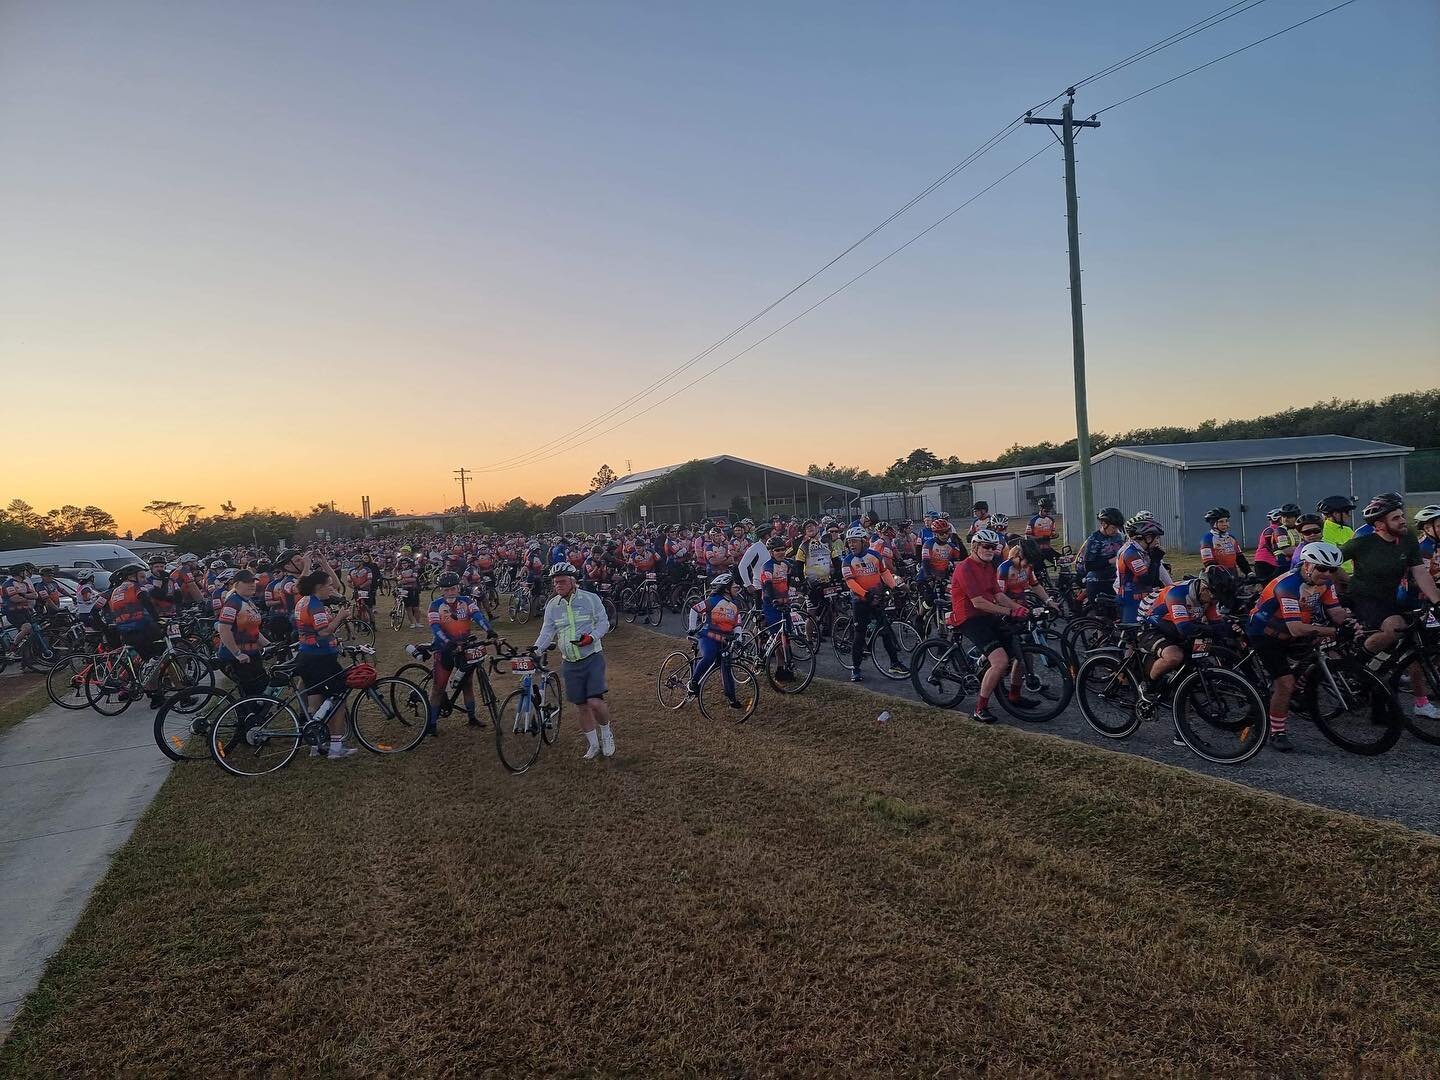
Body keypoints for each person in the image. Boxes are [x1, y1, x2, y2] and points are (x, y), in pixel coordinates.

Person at [1343, 493, 1440, 721]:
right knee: (1396, 627)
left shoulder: (1407, 539)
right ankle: (1356, 663)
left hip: (1390, 599)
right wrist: (1343, 580)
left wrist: (1437, 601)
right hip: (1363, 598)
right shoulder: (1362, 543)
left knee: (1408, 642)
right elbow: (1330, 560)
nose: (1403, 520)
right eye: (1396, 518)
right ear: (1379, 525)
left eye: (1401, 516)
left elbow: (1420, 572)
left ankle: (1376, 677)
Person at [1246, 541, 1350, 752]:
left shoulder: (1325, 583)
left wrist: (1355, 623)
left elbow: (1337, 613)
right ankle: (1277, 732)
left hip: (1292, 628)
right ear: (1307, 565)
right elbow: (1295, 628)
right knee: (1285, 683)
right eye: (1322, 568)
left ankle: (1300, 687)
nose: (1327, 574)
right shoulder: (1288, 585)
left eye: (1332, 569)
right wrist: (1335, 631)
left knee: (1325, 650)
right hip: (1265, 633)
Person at [533, 563, 614, 760]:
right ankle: (593, 745)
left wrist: (592, 637)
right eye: (555, 582)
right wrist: (536, 649)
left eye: (562, 582)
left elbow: (604, 622)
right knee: (581, 706)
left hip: (591, 656)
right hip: (569, 661)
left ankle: (606, 733)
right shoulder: (553, 605)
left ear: (573, 581)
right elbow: (548, 631)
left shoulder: (590, 599)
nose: (558, 585)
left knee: (595, 701)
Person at [948, 528, 1029, 723]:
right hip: (969, 617)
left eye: (994, 547)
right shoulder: (965, 568)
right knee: (1000, 661)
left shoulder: (990, 566)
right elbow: (978, 602)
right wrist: (1010, 611)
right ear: (975, 547)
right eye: (986, 546)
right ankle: (979, 709)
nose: (990, 550)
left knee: (1020, 650)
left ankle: (1014, 696)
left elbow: (999, 595)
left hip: (986, 614)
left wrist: (1020, 608)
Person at [1137, 565, 1235, 710]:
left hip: (1176, 625)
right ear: (1204, 588)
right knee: (1174, 656)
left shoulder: (1209, 597)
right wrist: (1215, 630)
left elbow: (1217, 625)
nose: (1214, 601)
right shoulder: (1177, 593)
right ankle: (1148, 686)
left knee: (1205, 647)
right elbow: (1186, 629)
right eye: (1214, 596)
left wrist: (1232, 628)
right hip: (1151, 625)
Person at [292, 570, 356, 759]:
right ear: (319, 587)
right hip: (320, 658)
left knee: (315, 698)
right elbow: (323, 631)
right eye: (328, 585)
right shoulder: (315, 605)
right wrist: (341, 616)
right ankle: (336, 747)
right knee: (339, 696)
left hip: (306, 655)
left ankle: (317, 743)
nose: (331, 588)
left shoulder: (302, 601)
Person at [425, 571, 493, 736]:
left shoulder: (467, 601)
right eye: (446, 589)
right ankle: (432, 724)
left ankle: (471, 718)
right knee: (438, 688)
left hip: (464, 649)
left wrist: (490, 630)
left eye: (453, 589)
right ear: (441, 590)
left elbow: (478, 616)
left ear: (458, 588)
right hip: (445, 650)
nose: (450, 592)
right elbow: (435, 627)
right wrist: (447, 642)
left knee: (467, 685)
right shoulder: (435, 605)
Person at [840, 526, 907, 683]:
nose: (851, 545)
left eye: (854, 541)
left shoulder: (875, 555)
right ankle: (855, 669)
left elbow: (884, 573)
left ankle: (894, 663)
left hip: (876, 599)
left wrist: (893, 587)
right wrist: (864, 594)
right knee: (859, 635)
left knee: (886, 632)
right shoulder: (847, 561)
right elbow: (850, 582)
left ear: (864, 541)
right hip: (860, 601)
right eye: (849, 542)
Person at [686, 573, 745, 706]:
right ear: (725, 588)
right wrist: (691, 628)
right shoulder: (713, 601)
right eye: (734, 585)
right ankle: (693, 682)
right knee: (709, 656)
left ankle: (732, 698)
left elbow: (737, 624)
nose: (737, 587)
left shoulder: (735, 605)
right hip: (708, 637)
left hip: (725, 641)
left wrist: (739, 639)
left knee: (727, 667)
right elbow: (695, 610)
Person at [215, 570, 271, 698]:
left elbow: (253, 630)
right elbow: (224, 630)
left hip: (252, 653)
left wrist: (269, 645)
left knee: (262, 686)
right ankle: (245, 715)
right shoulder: (233, 602)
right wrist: (237, 653)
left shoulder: (248, 602)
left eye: (253, 582)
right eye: (247, 582)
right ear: (236, 584)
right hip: (236, 658)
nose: (252, 584)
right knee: (251, 693)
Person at [1114, 520, 1168, 623]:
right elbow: (1146, 580)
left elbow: (1155, 581)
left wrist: (1154, 560)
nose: (1157, 541)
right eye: (1156, 538)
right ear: (1147, 538)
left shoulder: (1142, 552)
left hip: (1142, 598)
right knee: (1132, 634)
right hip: (1131, 599)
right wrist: (1155, 560)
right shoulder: (1131, 554)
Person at [1, 563, 52, 660]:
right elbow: (15, 599)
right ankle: (12, 649)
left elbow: (35, 595)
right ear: (19, 573)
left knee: (35, 630)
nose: (26, 573)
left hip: (26, 611)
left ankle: (28, 657)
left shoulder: (24, 584)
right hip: (13, 612)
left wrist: (23, 595)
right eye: (24, 571)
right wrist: (25, 596)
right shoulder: (8, 584)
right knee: (27, 627)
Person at [1082, 508, 1126, 603]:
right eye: (1113, 528)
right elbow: (1088, 566)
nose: (1116, 531)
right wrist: (1110, 561)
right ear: (1103, 524)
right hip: (1098, 582)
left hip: (1115, 580)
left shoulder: (1118, 537)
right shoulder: (1094, 540)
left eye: (1117, 528)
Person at [1199, 508, 1249, 577]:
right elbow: (1209, 562)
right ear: (1213, 524)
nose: (1225, 524)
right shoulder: (1207, 539)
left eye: (1227, 521)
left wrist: (1249, 572)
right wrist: (1221, 576)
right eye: (1221, 522)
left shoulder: (1231, 538)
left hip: (1233, 575)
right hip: (1218, 578)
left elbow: (1239, 557)